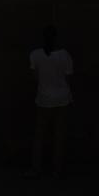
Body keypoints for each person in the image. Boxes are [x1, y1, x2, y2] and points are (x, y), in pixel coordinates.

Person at [28, 25, 73, 177]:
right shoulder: (64, 55)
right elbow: (68, 78)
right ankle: (57, 169)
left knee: (39, 135)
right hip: (62, 99)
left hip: (43, 99)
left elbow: (35, 78)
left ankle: (36, 168)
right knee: (59, 135)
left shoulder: (35, 55)